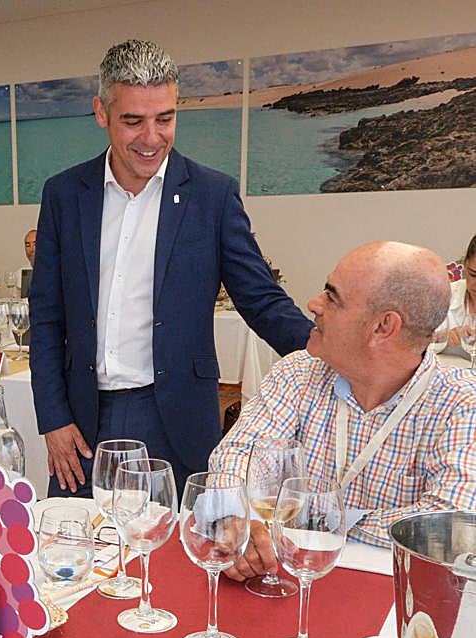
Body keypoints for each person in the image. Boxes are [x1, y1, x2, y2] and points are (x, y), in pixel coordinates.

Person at [30, 39, 312, 498]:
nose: (151, 138)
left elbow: (261, 300)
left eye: (165, 119)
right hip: (81, 423)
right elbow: (46, 315)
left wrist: (329, 351)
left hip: (176, 420)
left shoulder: (212, 195)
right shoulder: (63, 194)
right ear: (101, 112)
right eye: (133, 121)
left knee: (176, 562)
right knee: (78, 559)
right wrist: (53, 417)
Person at [210, 241, 476, 581]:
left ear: (383, 327)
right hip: (287, 579)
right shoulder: (298, 373)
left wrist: (313, 518)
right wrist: (237, 517)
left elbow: (444, 528)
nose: (313, 304)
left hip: (386, 603)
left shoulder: (461, 402)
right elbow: (235, 455)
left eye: (331, 296)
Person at [444, 233, 476, 347]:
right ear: (465, 265)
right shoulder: (444, 295)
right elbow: (412, 339)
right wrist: (442, 338)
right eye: (473, 275)